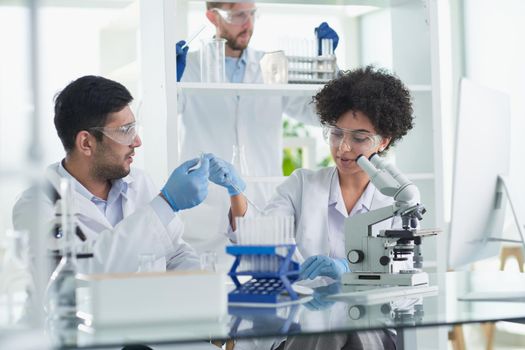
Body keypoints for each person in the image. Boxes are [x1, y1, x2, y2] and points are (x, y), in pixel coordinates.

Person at [210, 65, 414, 350]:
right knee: (326, 330)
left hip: (370, 332)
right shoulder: (303, 185)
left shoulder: (398, 202)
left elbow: (405, 289)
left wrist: (351, 275)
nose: (343, 148)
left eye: (358, 138)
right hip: (301, 330)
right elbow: (262, 237)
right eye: (336, 134)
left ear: (383, 141)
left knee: (345, 329)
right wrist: (235, 191)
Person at [175, 1, 340, 263]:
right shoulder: (190, 66)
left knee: (264, 291)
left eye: (252, 14)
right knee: (205, 294)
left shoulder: (272, 67)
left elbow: (317, 114)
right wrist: (166, 79)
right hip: (205, 214)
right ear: (212, 17)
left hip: (261, 205)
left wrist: (325, 71)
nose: (248, 23)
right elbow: (163, 112)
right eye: (238, 15)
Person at [12, 75, 211, 274]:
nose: (137, 141)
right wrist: (166, 204)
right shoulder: (35, 206)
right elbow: (75, 272)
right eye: (126, 130)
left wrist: (210, 286)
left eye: (134, 128)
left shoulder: (139, 182)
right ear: (86, 143)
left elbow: (175, 253)